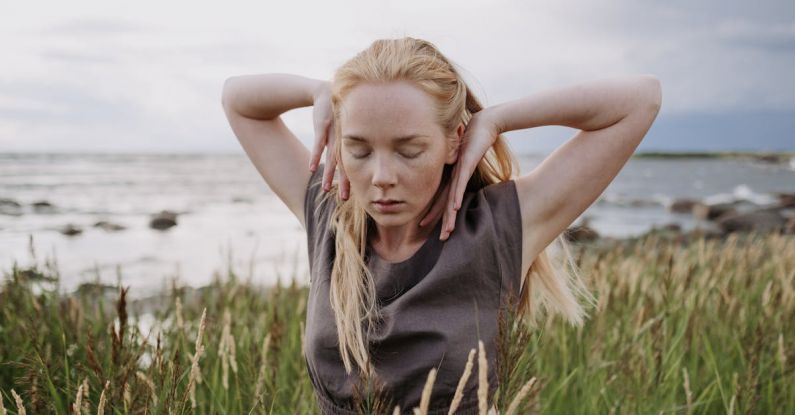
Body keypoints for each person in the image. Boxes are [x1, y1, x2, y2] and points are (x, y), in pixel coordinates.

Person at [221, 37, 662, 414]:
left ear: (454, 142)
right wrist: (319, 91)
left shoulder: (500, 228)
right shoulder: (329, 213)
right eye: (359, 149)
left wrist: (495, 119)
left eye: (409, 150)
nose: (381, 176)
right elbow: (237, 100)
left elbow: (640, 99)